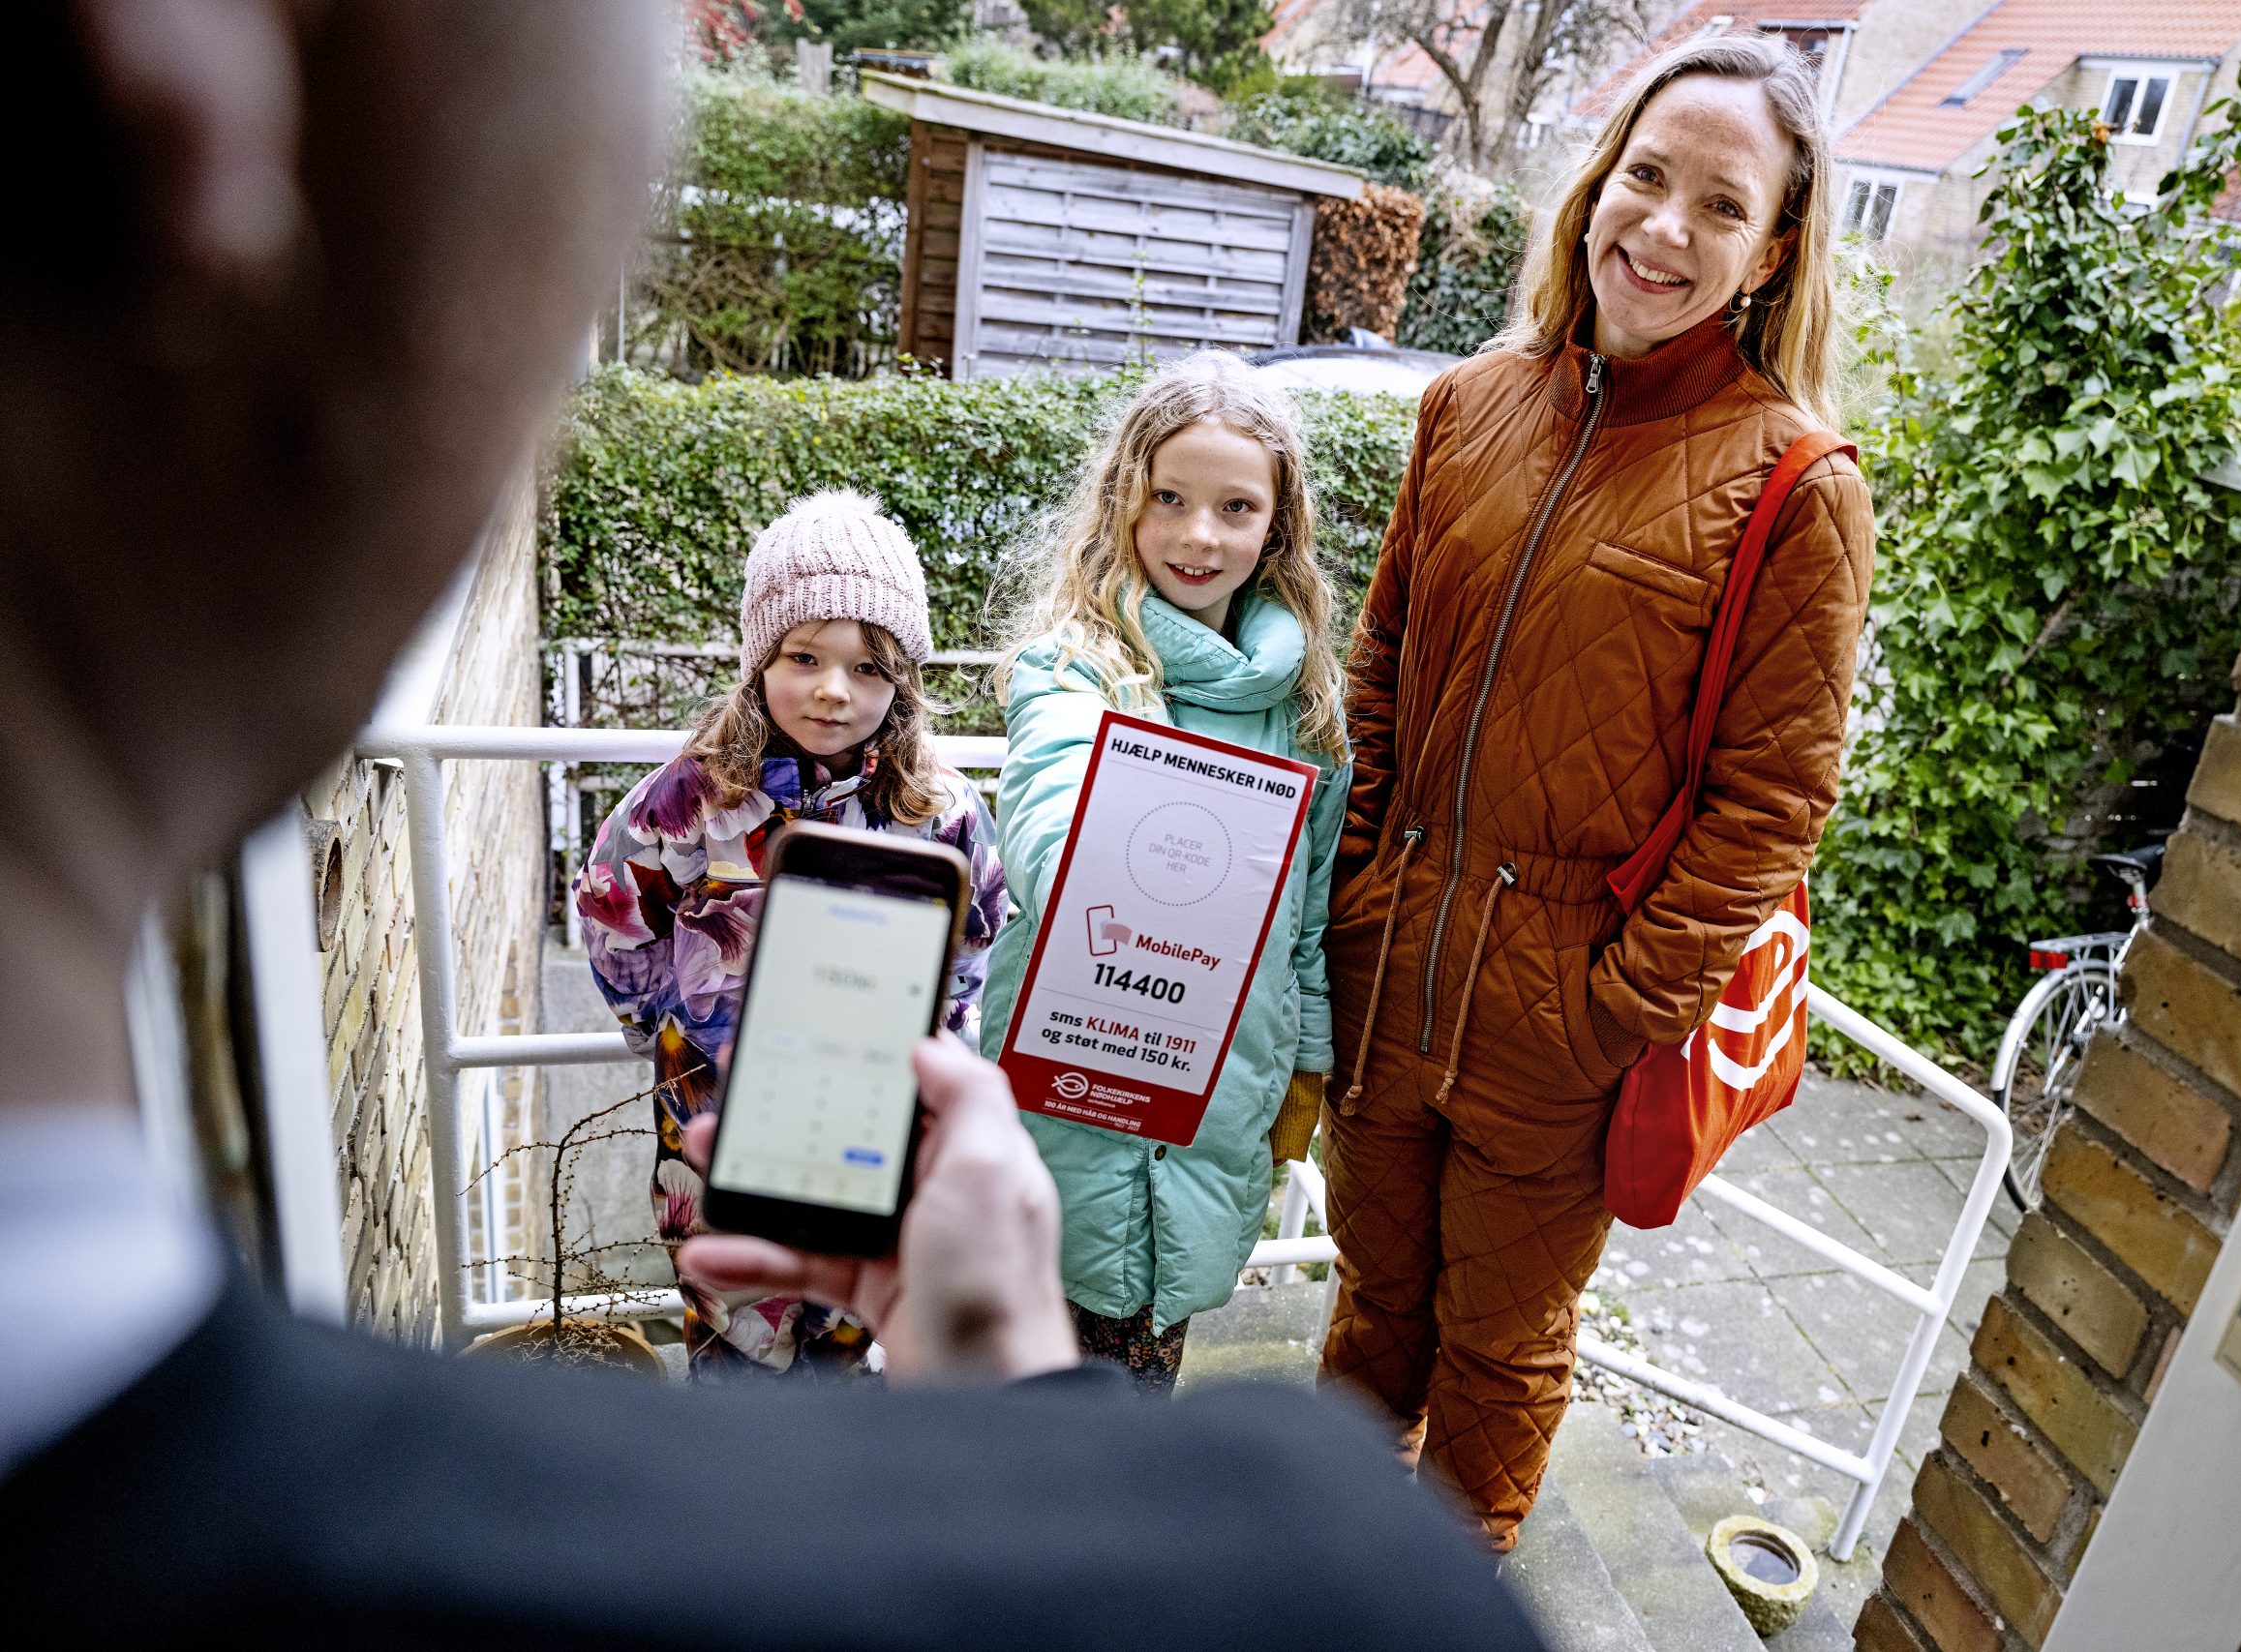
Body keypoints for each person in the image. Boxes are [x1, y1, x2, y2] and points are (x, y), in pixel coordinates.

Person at [0, 6, 1543, 1646]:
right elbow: (632, 896)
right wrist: (1029, 1431)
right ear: (181, 77)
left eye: (863, 662)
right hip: (746, 1172)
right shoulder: (1316, 1588)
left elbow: (998, 908)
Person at [1316, 33, 1877, 1552]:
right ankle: (1311, 1580)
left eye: (1720, 204)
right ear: (1592, 190)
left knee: (1496, 1361)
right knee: (1369, 1310)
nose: (1665, 228)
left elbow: (1771, 804)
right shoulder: (1467, 407)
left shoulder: (1795, 483)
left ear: (1770, 252)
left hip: (1559, 1025)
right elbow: (1381, 661)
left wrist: (1610, 1003)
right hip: (1386, 972)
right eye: (1645, 177)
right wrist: (1357, 883)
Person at [980, 354, 1349, 1391]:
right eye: (1170, 499)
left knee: (1143, 1373)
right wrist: (1096, 859)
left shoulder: (1306, 710)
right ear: (1125, 505)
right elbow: (1047, 819)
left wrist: (1306, 1069)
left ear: (1274, 526)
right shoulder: (1080, 668)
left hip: (1220, 1094)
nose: (1199, 534)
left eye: (1235, 507)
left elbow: (1307, 921)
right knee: (1032, 1388)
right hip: (1073, 1084)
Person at [579, 490, 1009, 1378]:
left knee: (851, 1331)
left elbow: (973, 941)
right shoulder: (693, 796)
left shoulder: (942, 806)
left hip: (873, 1115)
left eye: (865, 666)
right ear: (758, 658)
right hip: (715, 1111)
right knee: (731, 1330)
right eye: (803, 656)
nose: (831, 689)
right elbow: (613, 905)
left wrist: (940, 1049)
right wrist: (665, 1022)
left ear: (902, 678)